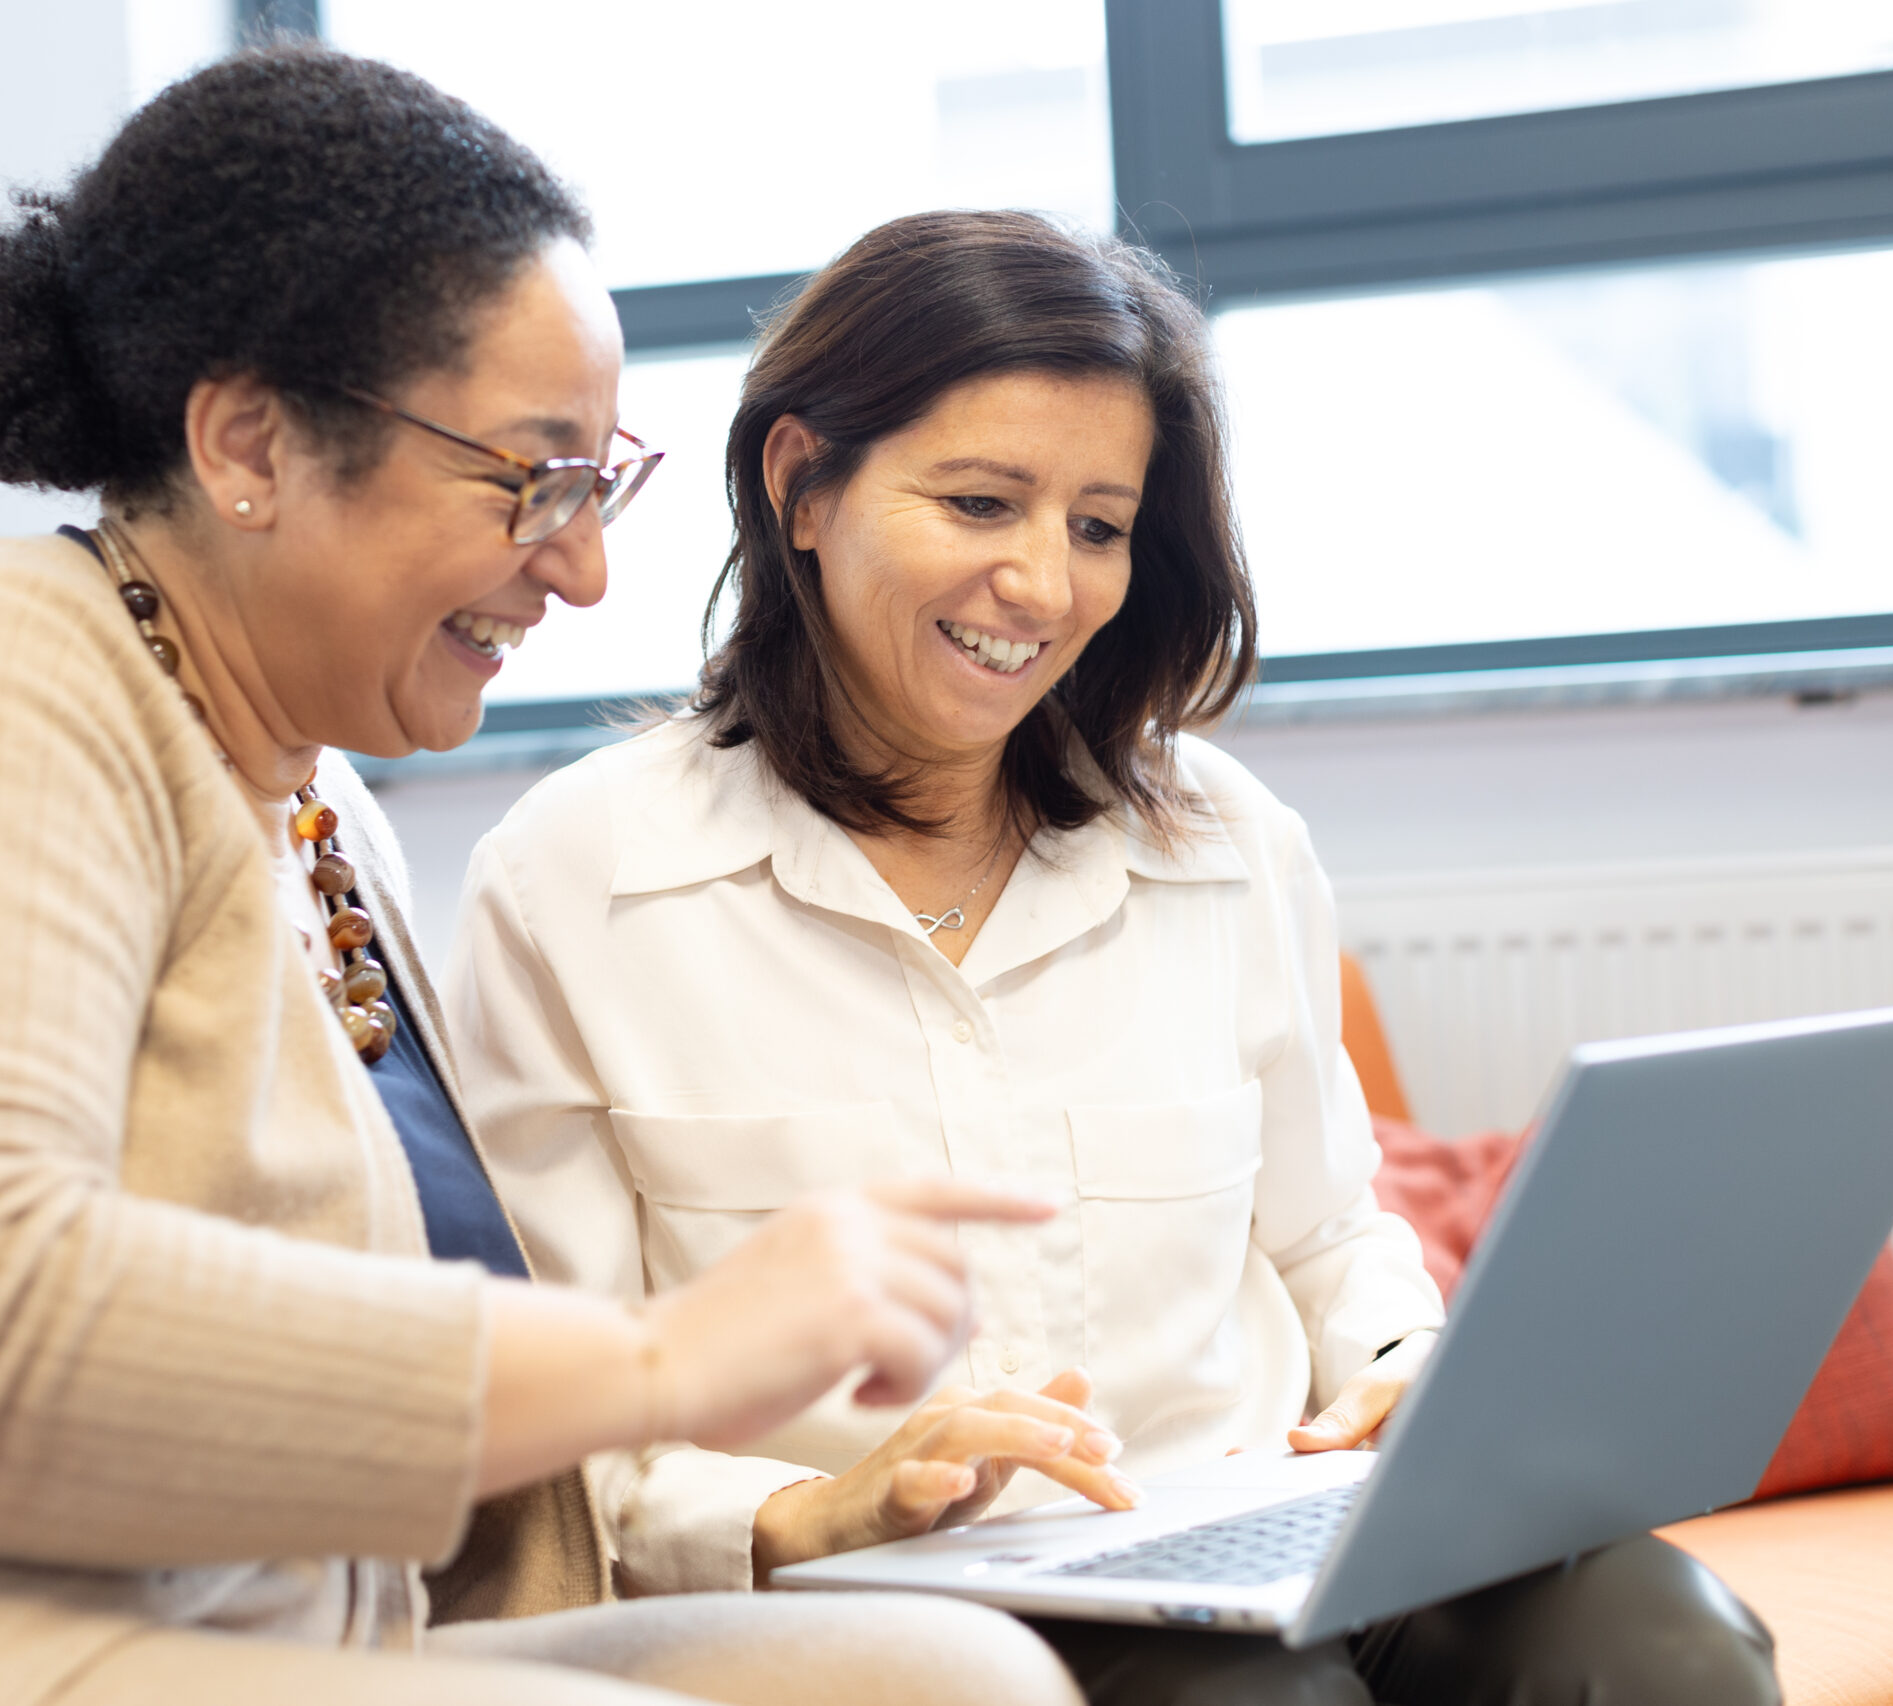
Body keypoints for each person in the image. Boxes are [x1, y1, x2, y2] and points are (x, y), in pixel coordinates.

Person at [0, 51, 1086, 1706]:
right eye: (536, 478)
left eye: (604, 481)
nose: (583, 566)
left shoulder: (319, 804)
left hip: (220, 1630)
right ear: (248, 444)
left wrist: (803, 1503)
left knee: (959, 1678)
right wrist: (663, 1357)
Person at [446, 210, 1782, 1705]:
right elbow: (564, 1413)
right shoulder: (577, 883)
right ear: (800, 483)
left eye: (1096, 526)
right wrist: (811, 1506)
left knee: (1667, 1639)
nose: (1041, 582)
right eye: (979, 502)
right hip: (918, 1602)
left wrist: (1410, 1364)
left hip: (1279, 1524)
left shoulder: (1225, 839)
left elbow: (1333, 1237)